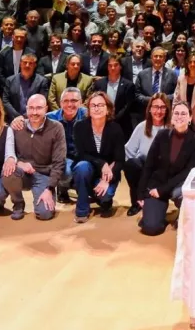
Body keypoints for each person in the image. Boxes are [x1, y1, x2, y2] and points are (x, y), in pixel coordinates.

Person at [137, 101, 195, 236]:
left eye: (184, 113)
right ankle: (157, 215)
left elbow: (188, 172)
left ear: (190, 118)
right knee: (151, 228)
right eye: (177, 113)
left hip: (177, 186)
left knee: (181, 195)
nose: (180, 116)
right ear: (172, 117)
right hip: (157, 184)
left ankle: (181, 212)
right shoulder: (162, 135)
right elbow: (149, 164)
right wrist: (141, 193)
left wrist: (163, 190)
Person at [71, 91, 125, 222]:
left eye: (101, 105)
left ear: (108, 109)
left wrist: (106, 179)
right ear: (88, 109)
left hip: (108, 173)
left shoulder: (115, 128)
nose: (96, 108)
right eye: (93, 105)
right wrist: (102, 164)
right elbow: (81, 154)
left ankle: (103, 200)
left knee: (105, 196)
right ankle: (82, 210)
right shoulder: (80, 126)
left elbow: (120, 160)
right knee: (81, 167)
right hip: (88, 168)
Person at [123, 93, 170, 217]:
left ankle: (155, 201)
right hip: (143, 169)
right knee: (131, 165)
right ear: (149, 109)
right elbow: (128, 150)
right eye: (155, 107)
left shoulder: (171, 128)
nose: (158, 111)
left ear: (167, 110)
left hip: (161, 172)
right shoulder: (142, 127)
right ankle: (136, 202)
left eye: (162, 107)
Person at [93, 55, 137, 135]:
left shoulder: (128, 85)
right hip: (102, 122)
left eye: (116, 65)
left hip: (122, 124)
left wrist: (114, 119)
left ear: (120, 67)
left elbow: (127, 106)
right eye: (110, 65)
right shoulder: (99, 84)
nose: (113, 68)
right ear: (107, 67)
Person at [3, 53, 50, 122]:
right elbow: (5, 101)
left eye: (30, 63)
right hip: (13, 120)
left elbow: (42, 102)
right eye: (25, 62)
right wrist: (18, 117)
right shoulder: (10, 80)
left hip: (34, 120)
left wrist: (25, 117)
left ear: (35, 65)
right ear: (20, 64)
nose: (27, 65)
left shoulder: (42, 81)